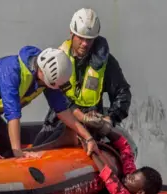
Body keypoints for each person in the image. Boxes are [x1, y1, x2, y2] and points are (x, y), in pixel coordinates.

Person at [0, 46, 99, 158]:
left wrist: (88, 137)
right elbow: (12, 115)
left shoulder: (47, 78)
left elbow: (62, 111)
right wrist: (18, 152)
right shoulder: (11, 73)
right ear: (41, 73)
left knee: (5, 146)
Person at [33, 7, 132, 147]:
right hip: (59, 120)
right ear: (71, 33)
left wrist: (110, 119)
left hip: (92, 125)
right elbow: (53, 92)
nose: (85, 44)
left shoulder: (106, 63)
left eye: (90, 40)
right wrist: (79, 116)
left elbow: (123, 93)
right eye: (81, 38)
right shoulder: (58, 59)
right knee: (38, 148)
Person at [87, 115, 163, 194]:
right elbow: (125, 149)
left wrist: (92, 153)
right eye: (133, 174)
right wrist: (105, 130)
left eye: (132, 179)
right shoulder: (131, 178)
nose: (128, 176)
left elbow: (111, 181)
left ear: (140, 193)